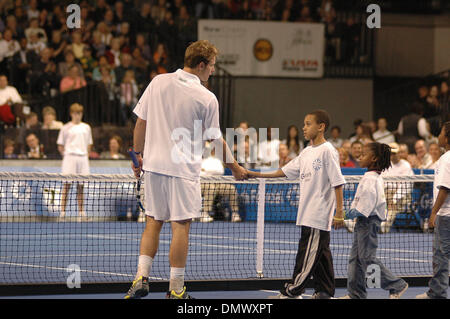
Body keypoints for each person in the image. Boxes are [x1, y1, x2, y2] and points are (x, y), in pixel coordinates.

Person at [124, 40, 247, 300]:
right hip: (183, 171)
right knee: (180, 227)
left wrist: (137, 158)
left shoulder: (158, 82)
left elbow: (140, 124)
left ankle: (140, 277)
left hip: (154, 167)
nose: (213, 71)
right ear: (202, 65)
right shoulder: (207, 97)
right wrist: (234, 167)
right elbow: (215, 139)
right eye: (212, 66)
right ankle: (176, 290)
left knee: (152, 222)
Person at [247, 109, 346, 299]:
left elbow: (338, 182)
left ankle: (292, 291)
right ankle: (325, 291)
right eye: (304, 124)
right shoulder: (306, 152)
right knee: (321, 255)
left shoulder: (328, 151)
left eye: (308, 124)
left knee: (306, 255)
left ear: (321, 126)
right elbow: (282, 172)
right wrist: (253, 174)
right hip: (306, 213)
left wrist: (339, 213)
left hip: (318, 214)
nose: (304, 127)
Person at [339, 142, 409, 299]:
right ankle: (356, 294)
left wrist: (341, 216)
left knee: (367, 258)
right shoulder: (369, 176)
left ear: (374, 158)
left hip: (369, 223)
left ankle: (397, 285)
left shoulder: (372, 180)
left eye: (364, 154)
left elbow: (363, 210)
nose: (360, 156)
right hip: (362, 222)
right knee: (356, 259)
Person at [416, 122, 450, 299]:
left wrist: (434, 212)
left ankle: (437, 293)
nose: (439, 136)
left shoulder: (446, 159)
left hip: (445, 215)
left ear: (447, 137)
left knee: (441, 257)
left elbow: (445, 188)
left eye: (441, 133)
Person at [57, 103, 93, 222]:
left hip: (83, 158)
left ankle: (82, 213)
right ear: (71, 114)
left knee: (81, 186)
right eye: (75, 113)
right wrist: (67, 155)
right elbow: (60, 145)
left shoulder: (86, 127)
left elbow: (89, 144)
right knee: (66, 186)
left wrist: (84, 154)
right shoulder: (65, 127)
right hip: (69, 157)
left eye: (79, 113)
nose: (77, 115)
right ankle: (62, 213)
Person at [200, 146, 242, 223]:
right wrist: (208, 172)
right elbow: (199, 173)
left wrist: (206, 171)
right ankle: (205, 213)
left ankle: (235, 214)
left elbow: (220, 171)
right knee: (211, 188)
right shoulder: (198, 160)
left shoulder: (217, 161)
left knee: (231, 189)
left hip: (218, 183)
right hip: (202, 184)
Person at [380, 142, 414, 233]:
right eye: (390, 153)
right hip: (386, 193)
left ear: (399, 153)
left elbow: (406, 186)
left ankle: (385, 225)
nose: (392, 155)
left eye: (394, 153)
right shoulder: (386, 164)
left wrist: (394, 198)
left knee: (393, 204)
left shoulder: (406, 166)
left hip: (402, 195)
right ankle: (355, 222)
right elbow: (381, 183)